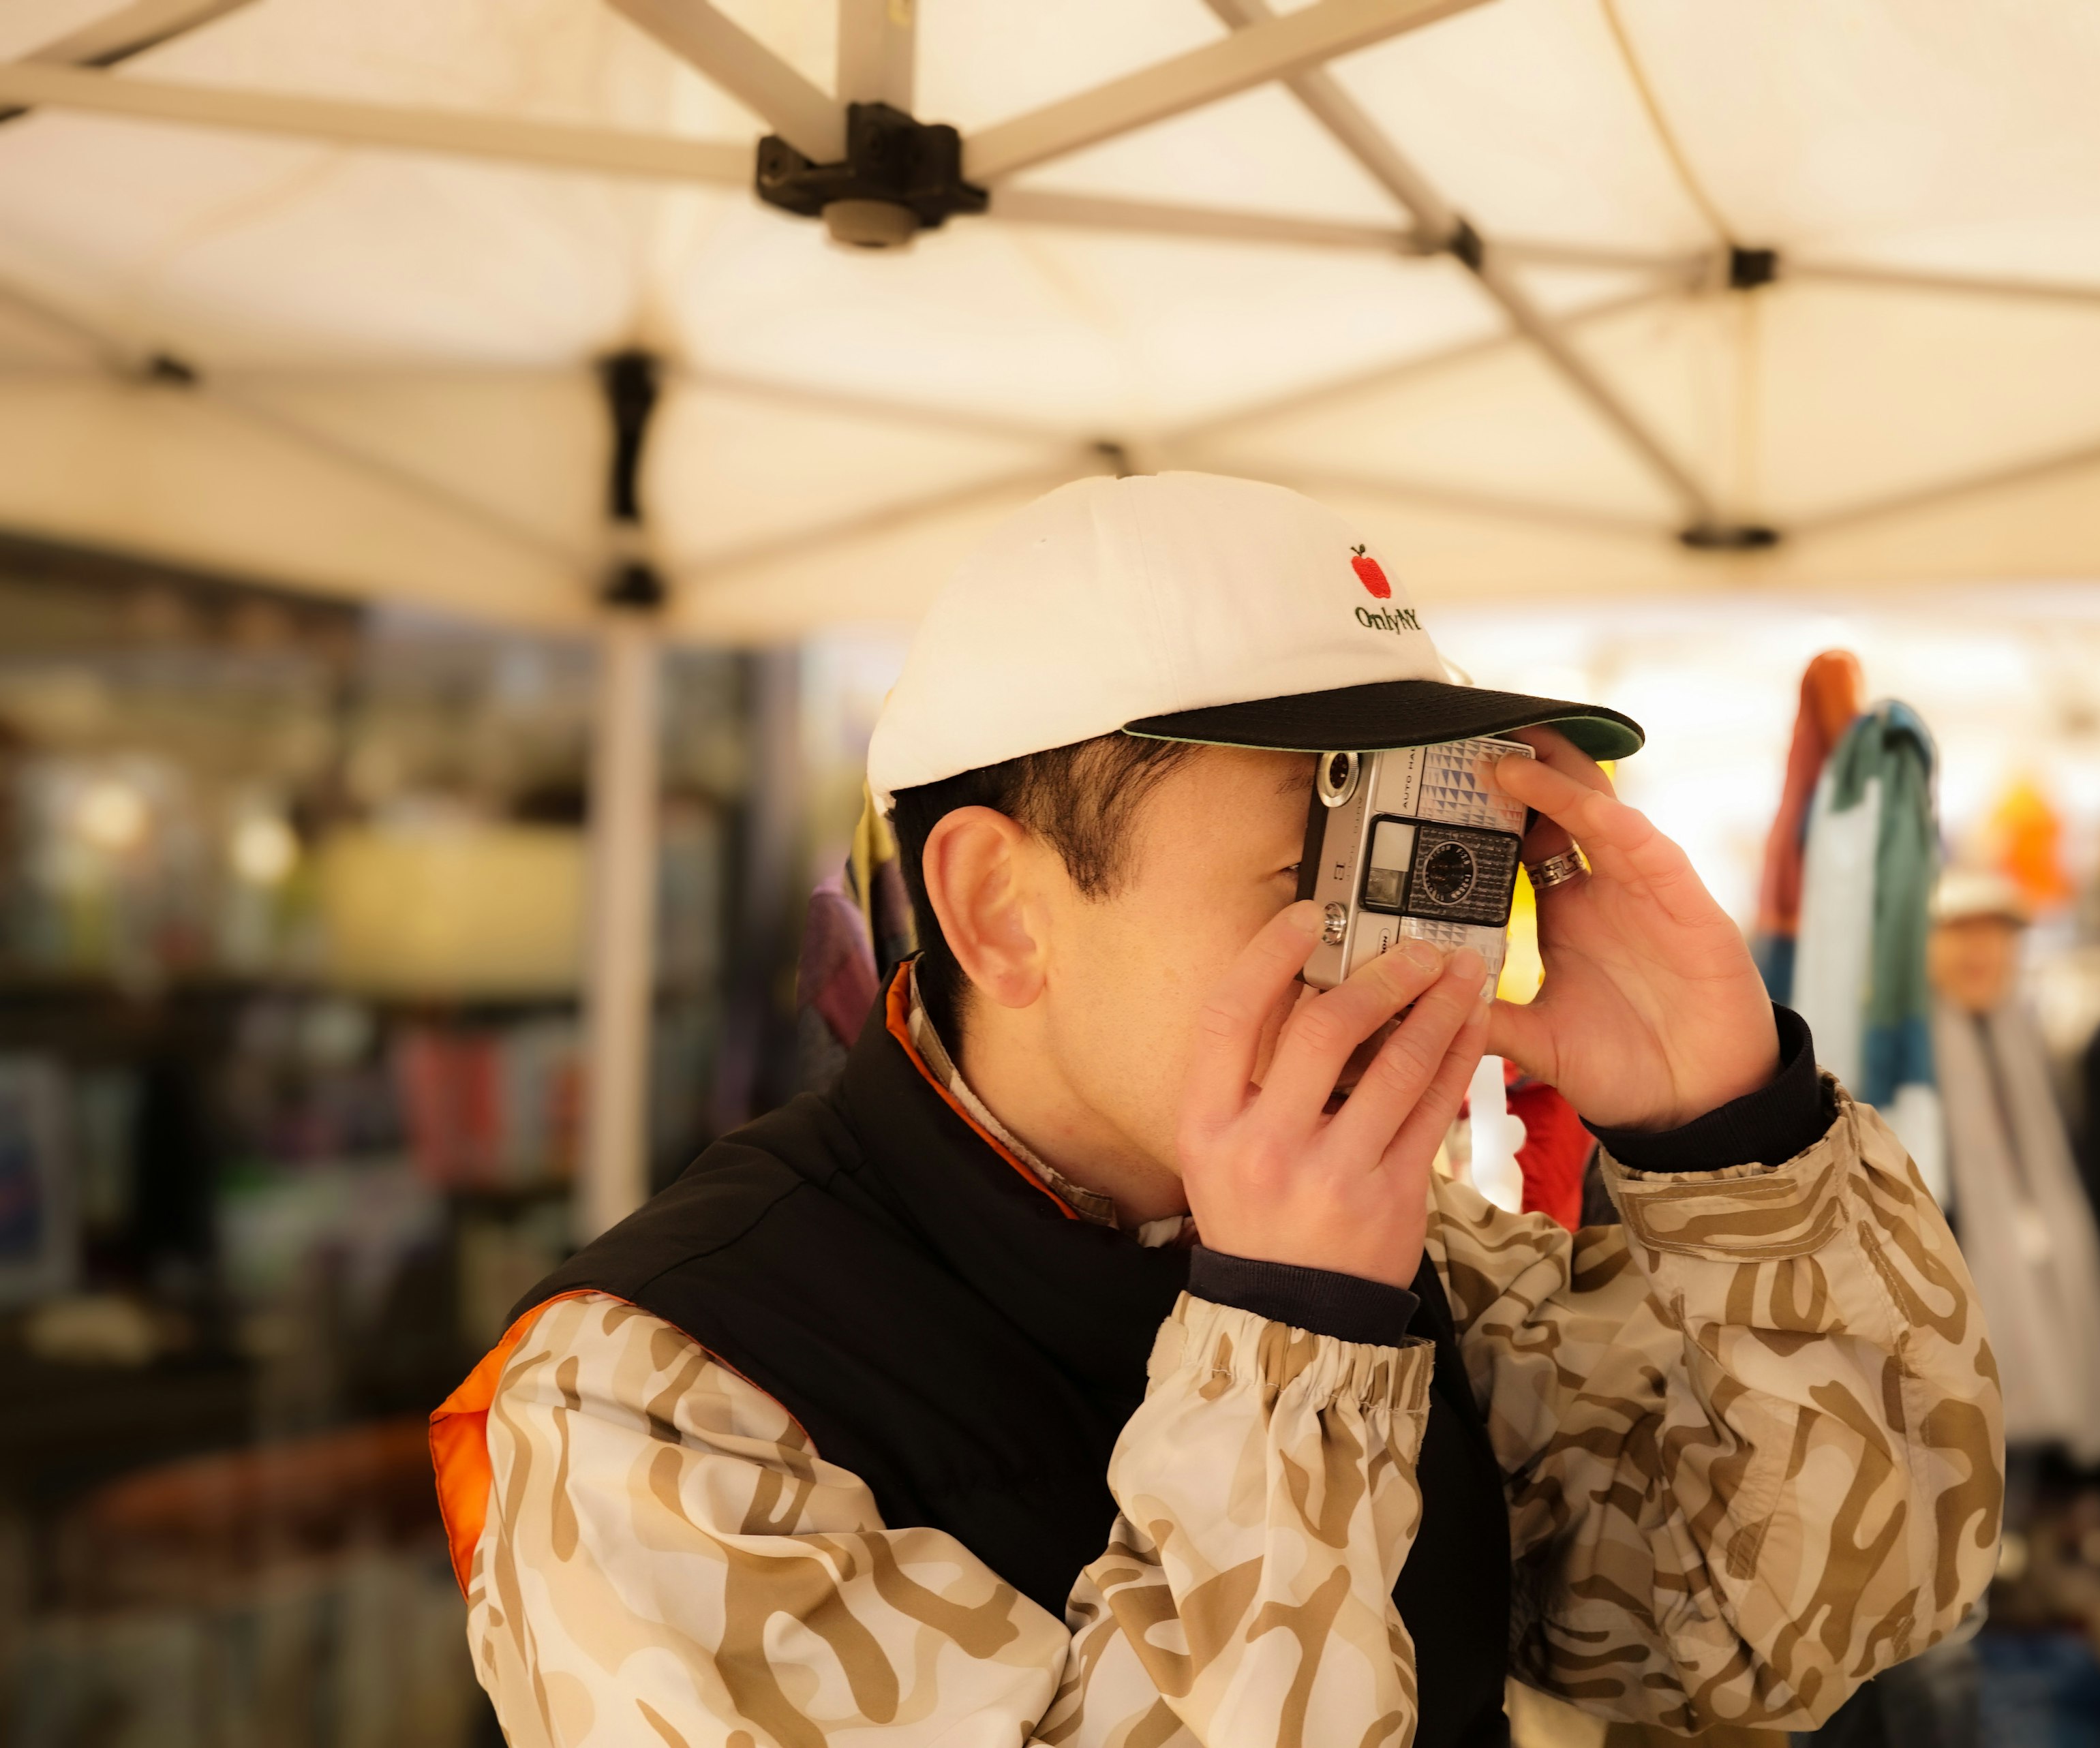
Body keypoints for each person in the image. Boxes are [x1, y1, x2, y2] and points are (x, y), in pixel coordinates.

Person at [430, 473, 2003, 1747]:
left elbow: (1787, 1623)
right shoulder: (643, 1402)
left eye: (1432, 851)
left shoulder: (1414, 1236)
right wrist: (1293, 1330)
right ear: (1002, 909)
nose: (1408, 948)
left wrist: (1731, 1136)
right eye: (1320, 857)